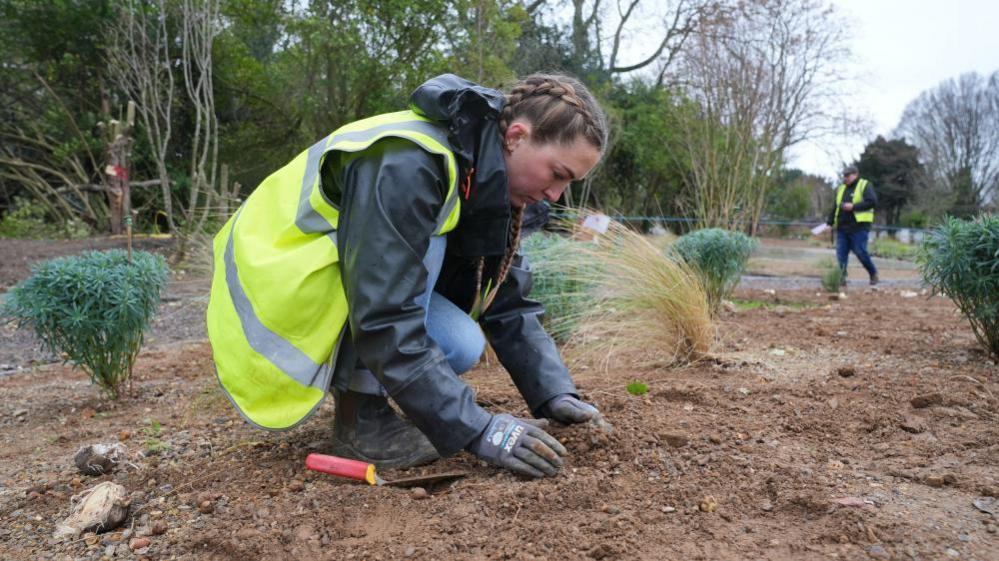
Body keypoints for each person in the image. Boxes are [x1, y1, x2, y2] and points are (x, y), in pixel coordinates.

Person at [206, 73, 609, 479]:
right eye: (557, 174)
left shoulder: (482, 175)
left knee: (461, 343)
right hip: (279, 285)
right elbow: (385, 311)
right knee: (426, 250)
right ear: (517, 136)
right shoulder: (409, 160)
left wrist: (553, 392)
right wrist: (480, 429)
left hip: (343, 281)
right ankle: (363, 424)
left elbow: (504, 296)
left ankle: (369, 400)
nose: (556, 196)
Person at [826, 165, 879, 286]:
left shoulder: (864, 185)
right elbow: (835, 207)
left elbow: (872, 202)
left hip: (859, 227)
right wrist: (829, 223)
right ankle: (842, 278)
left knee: (860, 251)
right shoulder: (841, 189)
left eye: (848, 175)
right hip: (842, 227)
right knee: (841, 254)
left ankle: (873, 273)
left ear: (856, 174)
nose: (846, 178)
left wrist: (853, 207)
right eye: (844, 175)